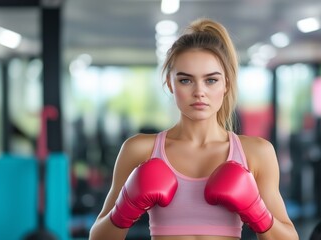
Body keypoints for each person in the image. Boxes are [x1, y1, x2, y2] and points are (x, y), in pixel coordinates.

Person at [89, 18, 299, 240]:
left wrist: (257, 213)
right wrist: (125, 209)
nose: (199, 92)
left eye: (211, 80)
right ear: (170, 83)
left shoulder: (256, 153)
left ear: (226, 84)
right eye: (186, 81)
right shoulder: (140, 149)